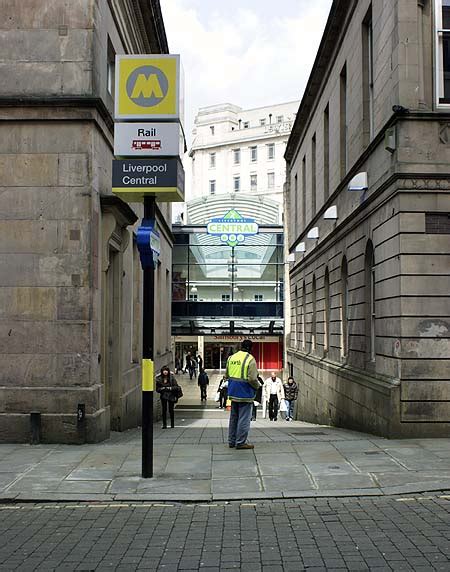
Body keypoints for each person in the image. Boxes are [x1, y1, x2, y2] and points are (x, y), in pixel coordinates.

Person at [226, 339, 260, 449]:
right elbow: (252, 378)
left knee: (234, 417)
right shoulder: (250, 359)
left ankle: (232, 441)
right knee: (244, 418)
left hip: (232, 391)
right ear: (251, 348)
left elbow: (227, 375)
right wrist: (257, 387)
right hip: (245, 393)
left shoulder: (231, 358)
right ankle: (240, 442)